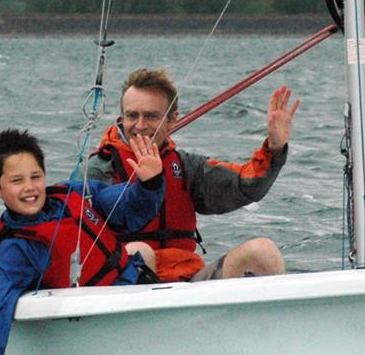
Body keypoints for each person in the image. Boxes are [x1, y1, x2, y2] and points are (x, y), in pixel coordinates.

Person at [0, 129, 165, 355]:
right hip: (103, 319)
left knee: (141, 249)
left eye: (35, 177)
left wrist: (149, 184)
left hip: (135, 286)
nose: (29, 187)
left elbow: (129, 209)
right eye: (17, 181)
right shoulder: (16, 249)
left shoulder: (74, 194)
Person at [87, 68, 300, 282]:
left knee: (264, 251)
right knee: (140, 251)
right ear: (121, 118)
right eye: (132, 116)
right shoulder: (101, 166)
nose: (140, 126)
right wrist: (149, 185)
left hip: (187, 280)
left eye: (151, 116)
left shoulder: (187, 166)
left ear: (172, 120)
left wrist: (274, 148)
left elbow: (246, 185)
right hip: (122, 284)